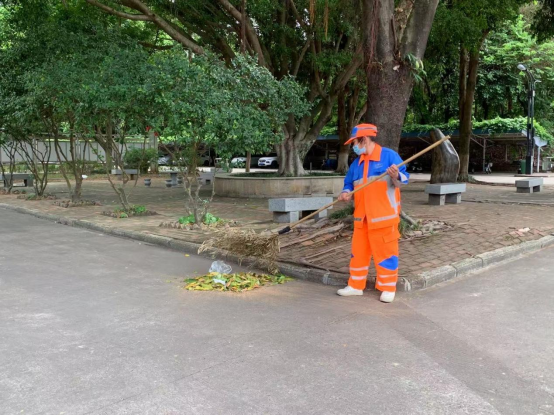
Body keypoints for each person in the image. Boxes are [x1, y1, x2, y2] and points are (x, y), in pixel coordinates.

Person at [337, 124, 409, 303]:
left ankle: (388, 287)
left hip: (384, 218)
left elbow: (404, 180)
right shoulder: (357, 163)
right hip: (362, 218)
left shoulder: (389, 156)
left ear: (363, 139)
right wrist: (346, 192)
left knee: (386, 254)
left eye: (354, 142)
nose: (353, 146)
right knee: (358, 254)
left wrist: (396, 176)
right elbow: (348, 183)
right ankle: (355, 285)